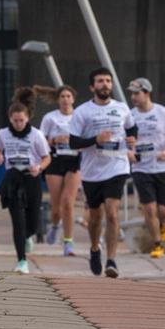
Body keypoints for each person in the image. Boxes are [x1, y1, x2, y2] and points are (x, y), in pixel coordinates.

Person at [60, 68, 136, 278]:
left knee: (112, 211)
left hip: (117, 166)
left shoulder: (121, 108)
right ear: (92, 87)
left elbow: (131, 127)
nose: (105, 84)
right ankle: (95, 248)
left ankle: (111, 260)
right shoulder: (83, 112)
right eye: (100, 81)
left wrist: (131, 140)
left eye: (108, 81)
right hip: (92, 171)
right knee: (95, 216)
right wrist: (95, 140)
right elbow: (74, 142)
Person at [0, 89, 52, 274]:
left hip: (31, 179)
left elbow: (46, 157)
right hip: (13, 179)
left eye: (22, 120)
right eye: (15, 120)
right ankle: (21, 261)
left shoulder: (36, 135)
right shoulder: (3, 134)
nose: (18, 124)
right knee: (17, 222)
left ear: (27, 118)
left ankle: (29, 236)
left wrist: (39, 168)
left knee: (32, 222)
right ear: (10, 119)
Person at [128, 77, 165, 259]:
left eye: (137, 93)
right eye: (132, 94)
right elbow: (123, 140)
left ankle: (162, 223)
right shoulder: (130, 116)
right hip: (141, 168)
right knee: (150, 209)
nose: (133, 97)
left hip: (162, 167)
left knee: (163, 211)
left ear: (147, 93)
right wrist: (129, 152)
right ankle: (157, 244)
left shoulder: (164, 113)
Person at [41, 85, 81, 256]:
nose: (65, 99)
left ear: (73, 99)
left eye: (68, 96)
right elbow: (41, 141)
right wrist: (54, 140)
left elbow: (87, 138)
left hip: (74, 160)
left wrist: (74, 141)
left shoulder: (80, 117)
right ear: (58, 99)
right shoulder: (50, 118)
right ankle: (55, 226)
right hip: (55, 161)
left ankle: (68, 242)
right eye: (62, 96)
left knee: (68, 203)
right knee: (56, 206)